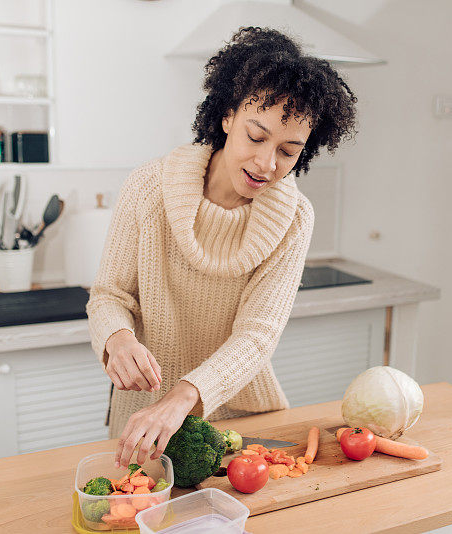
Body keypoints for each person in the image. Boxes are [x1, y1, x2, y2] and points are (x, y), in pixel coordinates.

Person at [86, 26, 358, 469]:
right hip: (144, 417)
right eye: (256, 136)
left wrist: (185, 396)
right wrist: (116, 337)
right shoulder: (149, 187)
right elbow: (110, 295)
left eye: (289, 151)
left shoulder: (294, 218)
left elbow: (257, 335)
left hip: (245, 418)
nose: (266, 164)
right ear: (228, 116)